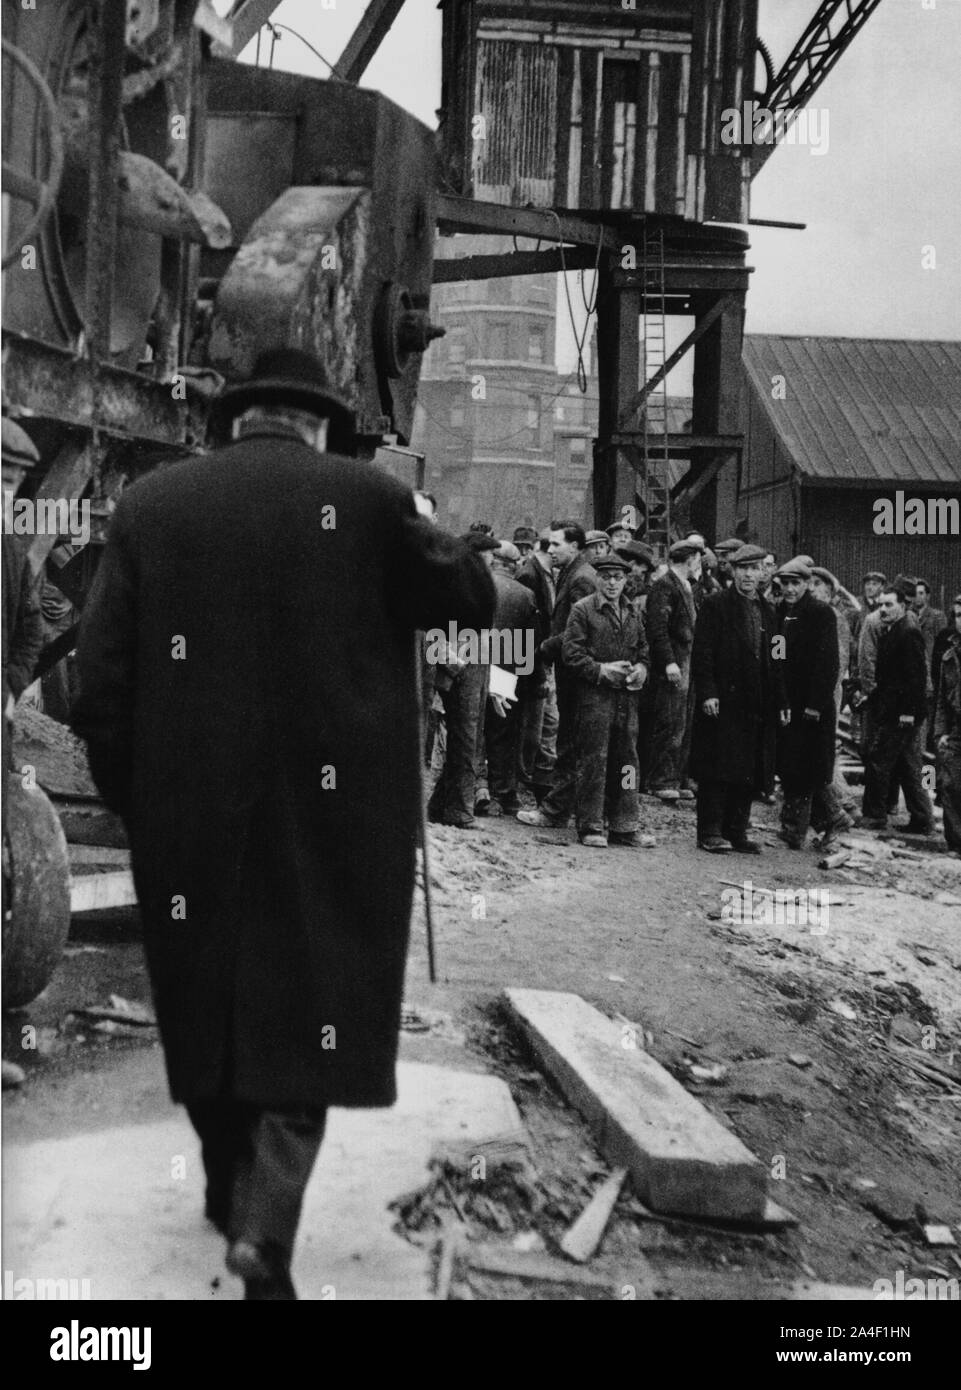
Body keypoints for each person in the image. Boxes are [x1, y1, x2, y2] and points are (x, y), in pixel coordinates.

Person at [72, 348, 494, 1299]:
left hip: (185, 809)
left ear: (235, 421)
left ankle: (230, 1191)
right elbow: (466, 597)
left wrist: (135, 795)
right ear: (317, 426)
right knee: (313, 1008)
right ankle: (262, 1230)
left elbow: (99, 685)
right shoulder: (372, 500)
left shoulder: (151, 507)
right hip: (334, 816)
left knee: (203, 1001)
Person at [690, 544, 788, 854]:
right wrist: (708, 692)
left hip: (756, 702)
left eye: (754, 568)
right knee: (717, 767)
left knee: (748, 769)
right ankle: (710, 831)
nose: (748, 574)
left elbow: (778, 658)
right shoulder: (716, 605)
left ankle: (736, 830)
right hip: (724, 700)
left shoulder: (770, 612)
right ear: (733, 571)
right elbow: (702, 652)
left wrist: (782, 700)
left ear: (763, 573)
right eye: (743, 568)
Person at [562, 554, 651, 848]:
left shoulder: (633, 612)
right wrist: (601, 670)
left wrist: (641, 669)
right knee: (594, 760)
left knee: (627, 762)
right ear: (597, 579)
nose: (612, 583)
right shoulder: (583, 610)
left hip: (627, 700)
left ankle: (624, 825)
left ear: (625, 580)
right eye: (606, 577)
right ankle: (591, 825)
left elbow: (643, 650)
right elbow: (571, 655)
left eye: (618, 577)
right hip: (594, 698)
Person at [518, 522, 597, 828]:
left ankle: (555, 812)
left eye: (556, 544)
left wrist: (542, 649)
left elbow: (576, 632)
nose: (549, 550)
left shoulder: (580, 579)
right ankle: (565, 808)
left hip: (576, 671)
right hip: (572, 668)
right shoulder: (573, 573)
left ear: (575, 546)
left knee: (569, 743)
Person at [428, 530, 500, 826]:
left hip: (476, 667)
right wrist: (452, 662)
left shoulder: (474, 584)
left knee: (468, 738)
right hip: (459, 668)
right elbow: (434, 629)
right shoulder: (449, 584)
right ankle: (459, 810)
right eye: (487, 557)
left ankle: (441, 806)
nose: (490, 563)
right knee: (465, 739)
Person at [774, 560, 841, 850]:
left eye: (795, 584)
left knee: (805, 767)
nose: (789, 589)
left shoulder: (821, 613)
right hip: (789, 702)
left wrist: (816, 704)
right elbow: (776, 656)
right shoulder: (780, 612)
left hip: (812, 706)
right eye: (785, 584)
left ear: (806, 584)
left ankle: (795, 830)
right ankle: (832, 820)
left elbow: (828, 663)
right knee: (794, 765)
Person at [860, 584, 934, 835]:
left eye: (888, 604)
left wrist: (908, 713)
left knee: (879, 760)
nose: (883, 609)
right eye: (880, 604)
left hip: (901, 713)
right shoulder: (896, 630)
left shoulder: (908, 632)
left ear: (903, 606)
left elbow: (916, 678)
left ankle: (875, 815)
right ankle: (923, 819)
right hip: (897, 711)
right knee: (908, 765)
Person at [482, 541, 538, 816]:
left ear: (493, 560)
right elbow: (528, 643)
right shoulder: (526, 594)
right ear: (515, 565)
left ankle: (477, 789)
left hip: (474, 665)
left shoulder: (477, 583)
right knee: (503, 733)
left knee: (472, 728)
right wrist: (527, 680)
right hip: (506, 670)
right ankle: (503, 792)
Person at [646, 538, 703, 803]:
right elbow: (657, 629)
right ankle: (661, 780)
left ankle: (676, 778)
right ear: (691, 560)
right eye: (698, 560)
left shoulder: (684, 586)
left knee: (683, 722)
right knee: (669, 722)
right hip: (674, 664)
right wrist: (668, 661)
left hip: (686, 663)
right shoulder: (664, 586)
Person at [2, 418, 45, 714]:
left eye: (12, 484)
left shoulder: (11, 552)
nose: (7, 494)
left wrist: (9, 690)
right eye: (5, 479)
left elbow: (30, 628)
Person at [933, 594, 961, 856]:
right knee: (950, 785)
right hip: (955, 728)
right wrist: (940, 731)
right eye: (959, 616)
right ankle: (956, 843)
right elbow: (942, 698)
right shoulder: (949, 656)